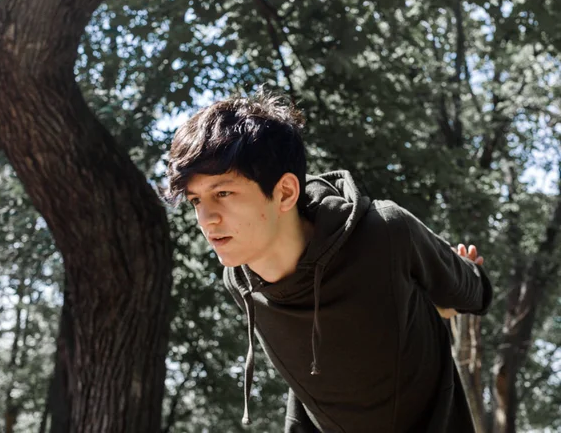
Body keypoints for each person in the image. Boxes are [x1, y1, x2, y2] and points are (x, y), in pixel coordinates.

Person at [165, 88, 492, 433]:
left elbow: (475, 292)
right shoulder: (239, 279)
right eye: (196, 201)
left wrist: (448, 287)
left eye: (223, 193)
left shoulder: (386, 232)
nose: (207, 219)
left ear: (286, 192)